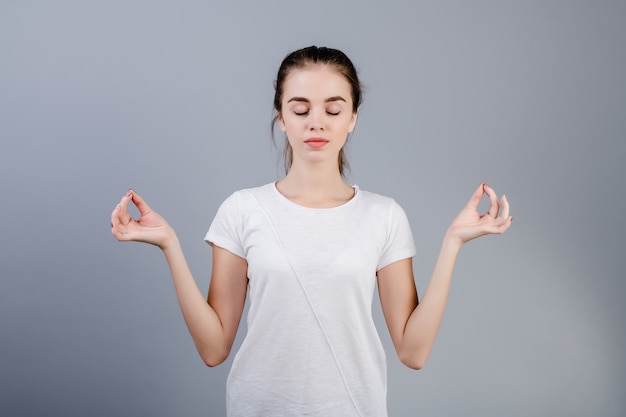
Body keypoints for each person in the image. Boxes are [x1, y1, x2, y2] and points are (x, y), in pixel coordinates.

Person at [111, 46, 512, 417]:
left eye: (333, 110)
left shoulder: (384, 216)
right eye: (300, 109)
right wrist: (170, 245)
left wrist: (453, 244)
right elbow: (214, 349)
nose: (315, 122)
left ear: (353, 117)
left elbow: (413, 351)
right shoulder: (242, 210)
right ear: (281, 117)